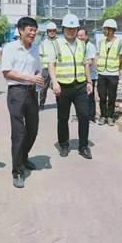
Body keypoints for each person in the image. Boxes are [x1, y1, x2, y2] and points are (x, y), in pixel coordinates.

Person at [1, 17, 43, 188]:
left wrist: (38, 79)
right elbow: (6, 72)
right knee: (19, 133)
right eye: (30, 30)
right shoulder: (10, 48)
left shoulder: (35, 49)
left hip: (32, 93)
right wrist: (29, 77)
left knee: (33, 129)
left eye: (35, 30)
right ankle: (17, 170)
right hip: (16, 93)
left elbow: (37, 69)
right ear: (20, 30)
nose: (33, 33)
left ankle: (24, 158)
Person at [48, 14, 94, 160]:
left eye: (74, 29)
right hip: (63, 87)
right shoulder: (56, 44)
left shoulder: (82, 44)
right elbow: (51, 64)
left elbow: (86, 64)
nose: (71, 31)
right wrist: (54, 82)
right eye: (68, 28)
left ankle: (83, 146)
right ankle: (64, 144)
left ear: (77, 29)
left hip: (80, 86)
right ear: (63, 29)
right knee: (63, 118)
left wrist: (89, 82)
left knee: (84, 116)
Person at [96, 19, 122, 126]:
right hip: (102, 73)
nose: (103, 31)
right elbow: (98, 55)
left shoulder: (119, 42)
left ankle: (110, 116)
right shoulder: (101, 42)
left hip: (113, 73)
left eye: (105, 29)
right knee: (102, 96)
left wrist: (117, 67)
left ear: (111, 30)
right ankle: (103, 116)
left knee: (112, 97)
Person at [77, 27, 98, 123]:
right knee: (82, 98)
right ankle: (83, 115)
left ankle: (91, 116)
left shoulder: (90, 46)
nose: (80, 37)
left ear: (86, 36)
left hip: (91, 76)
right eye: (78, 36)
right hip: (81, 76)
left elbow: (90, 61)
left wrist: (82, 63)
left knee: (90, 97)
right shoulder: (78, 46)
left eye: (82, 35)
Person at [38, 21, 58, 109]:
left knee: (57, 86)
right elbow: (39, 56)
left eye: (53, 31)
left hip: (57, 68)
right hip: (45, 68)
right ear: (47, 32)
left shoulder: (59, 42)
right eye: (50, 31)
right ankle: (41, 103)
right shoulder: (43, 43)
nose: (52, 32)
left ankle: (60, 103)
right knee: (44, 87)